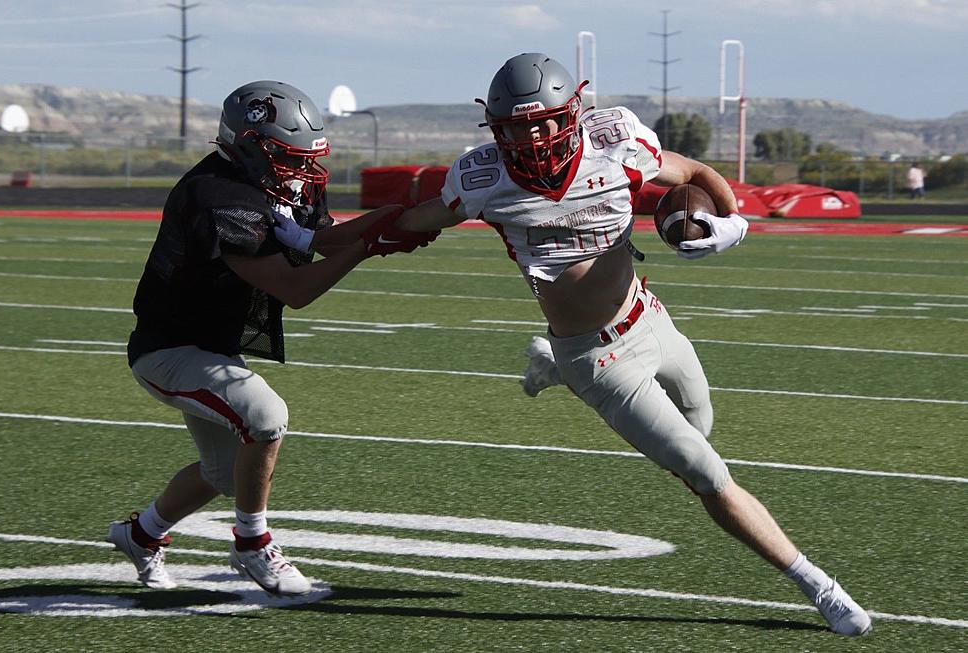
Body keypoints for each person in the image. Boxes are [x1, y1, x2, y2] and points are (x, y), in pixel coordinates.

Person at [276, 53, 872, 634]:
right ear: (496, 129)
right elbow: (405, 220)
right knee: (707, 473)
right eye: (515, 130)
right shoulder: (485, 178)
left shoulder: (617, 143)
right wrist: (312, 237)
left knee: (702, 422)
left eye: (541, 125)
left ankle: (550, 368)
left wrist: (731, 223)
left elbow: (694, 175)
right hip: (599, 359)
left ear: (574, 112)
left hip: (650, 317)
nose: (530, 142)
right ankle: (817, 583)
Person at [108, 80, 435, 596]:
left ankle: (140, 534)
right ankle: (252, 544)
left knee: (221, 471)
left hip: (211, 346)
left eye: (308, 157)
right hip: (167, 351)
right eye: (288, 157)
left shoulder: (272, 184)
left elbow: (318, 238)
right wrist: (371, 245)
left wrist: (394, 220)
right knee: (265, 417)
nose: (302, 170)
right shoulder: (218, 196)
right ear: (249, 145)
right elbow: (295, 287)